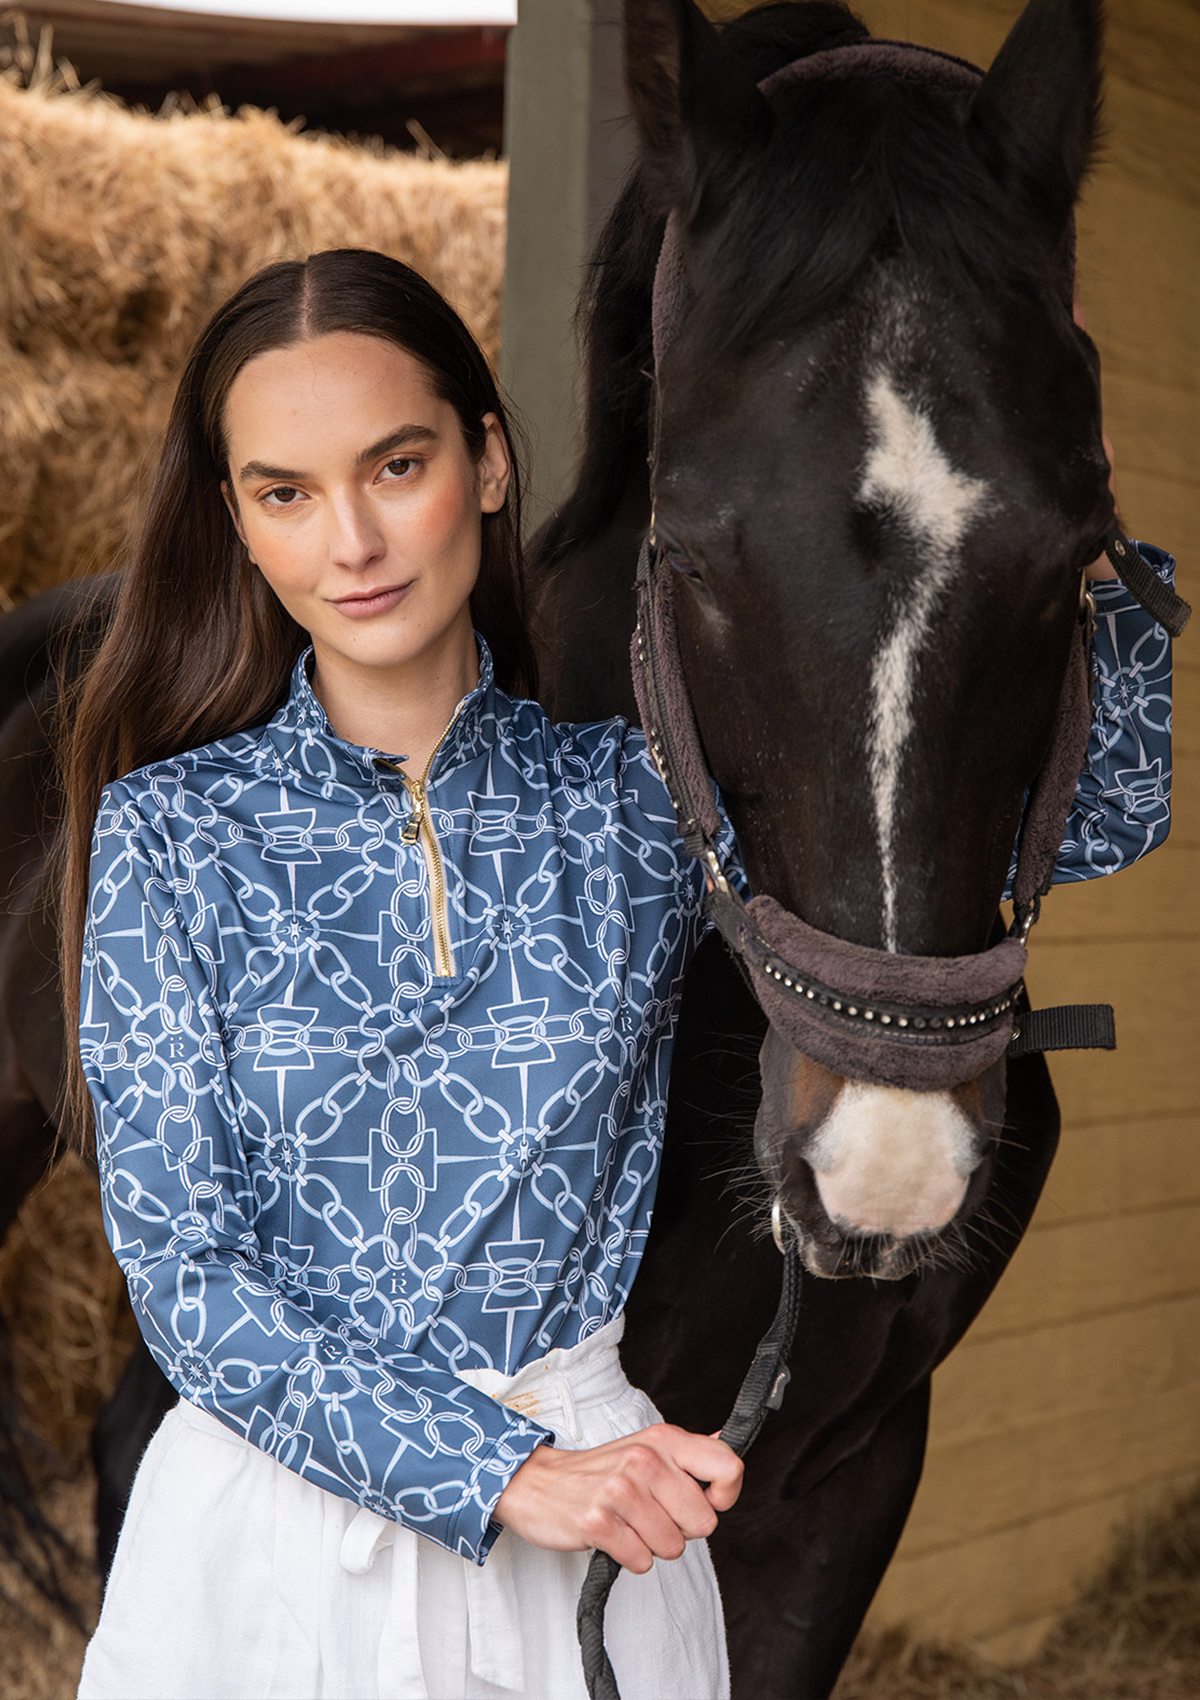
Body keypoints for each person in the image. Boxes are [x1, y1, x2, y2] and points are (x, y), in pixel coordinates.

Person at [60, 249, 1173, 1700]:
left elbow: (1092, 815)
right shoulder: (170, 834)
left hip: (592, 1544)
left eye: (397, 464)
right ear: (241, 527)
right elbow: (184, 1275)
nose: (352, 540)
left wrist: (1076, 485)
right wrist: (503, 1474)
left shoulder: (638, 805)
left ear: (492, 462)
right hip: (266, 1556)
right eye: (287, 492)